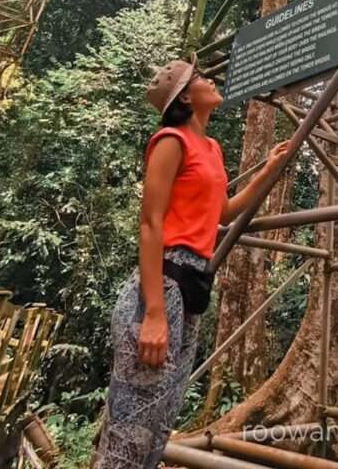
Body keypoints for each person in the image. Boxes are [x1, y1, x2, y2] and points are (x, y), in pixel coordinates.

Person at [94, 56, 290, 469]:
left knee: (160, 419)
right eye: (201, 77)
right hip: (161, 284)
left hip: (194, 285)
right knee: (130, 426)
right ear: (186, 95)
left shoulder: (212, 148)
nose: (211, 79)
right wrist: (153, 312)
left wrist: (270, 168)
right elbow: (150, 223)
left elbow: (224, 212)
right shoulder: (170, 140)